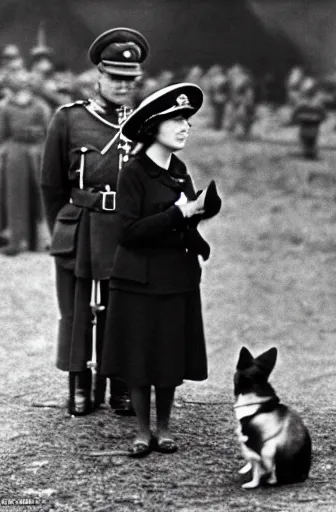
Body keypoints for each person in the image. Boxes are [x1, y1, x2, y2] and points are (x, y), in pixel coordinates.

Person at [100, 83, 220, 457]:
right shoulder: (133, 173)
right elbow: (128, 232)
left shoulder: (180, 171)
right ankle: (141, 431)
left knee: (168, 356)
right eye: (177, 119)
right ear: (154, 127)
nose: (186, 126)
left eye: (187, 120)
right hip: (138, 278)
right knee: (138, 358)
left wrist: (199, 218)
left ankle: (164, 429)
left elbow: (181, 223)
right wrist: (177, 213)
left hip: (175, 278)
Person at [40, 27, 150, 417]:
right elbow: (52, 184)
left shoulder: (146, 125)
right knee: (76, 310)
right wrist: (65, 226)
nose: (123, 85)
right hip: (81, 226)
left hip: (126, 228)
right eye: (115, 77)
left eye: (130, 79)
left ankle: (120, 384)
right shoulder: (69, 120)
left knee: (122, 308)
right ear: (98, 76)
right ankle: (80, 386)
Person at [0, 69, 51, 255]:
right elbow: (2, 134)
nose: (22, 87)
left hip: (39, 151)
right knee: (15, 196)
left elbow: (48, 131)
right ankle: (16, 240)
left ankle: (42, 240)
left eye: (26, 83)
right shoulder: (5, 107)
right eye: (18, 83)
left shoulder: (40, 106)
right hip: (15, 151)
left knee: (42, 196)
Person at [290, 77, 327, 159]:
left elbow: (295, 115)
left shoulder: (307, 103)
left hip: (309, 126)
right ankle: (309, 150)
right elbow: (323, 116)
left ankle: (309, 149)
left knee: (309, 138)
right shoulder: (312, 103)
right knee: (309, 138)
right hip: (309, 126)